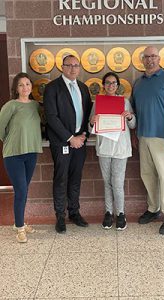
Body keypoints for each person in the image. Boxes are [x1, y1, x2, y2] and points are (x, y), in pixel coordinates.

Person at [131, 46, 164, 235]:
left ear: (159, 59)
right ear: (142, 60)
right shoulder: (138, 83)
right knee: (148, 175)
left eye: (153, 56)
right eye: (147, 57)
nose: (150, 60)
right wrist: (135, 135)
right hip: (143, 137)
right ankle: (153, 209)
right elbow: (135, 113)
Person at [43, 55, 92, 233]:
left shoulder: (83, 88)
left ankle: (74, 212)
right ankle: (60, 216)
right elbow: (52, 117)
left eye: (76, 65)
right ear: (62, 67)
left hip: (80, 141)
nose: (72, 69)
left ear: (79, 68)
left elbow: (87, 114)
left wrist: (84, 134)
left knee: (75, 178)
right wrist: (71, 138)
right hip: (62, 141)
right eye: (69, 65)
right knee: (61, 178)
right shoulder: (52, 88)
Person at [89, 72, 136, 230]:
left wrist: (129, 117)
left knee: (117, 182)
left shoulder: (125, 102)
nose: (111, 85)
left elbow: (133, 125)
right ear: (103, 85)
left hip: (120, 148)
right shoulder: (97, 103)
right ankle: (108, 212)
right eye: (108, 83)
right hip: (104, 148)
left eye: (114, 83)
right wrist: (92, 122)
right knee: (107, 182)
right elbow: (90, 128)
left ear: (118, 85)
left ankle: (121, 213)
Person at [0, 72, 42, 243]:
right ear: (16, 89)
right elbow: (0, 128)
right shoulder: (11, 105)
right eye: (21, 85)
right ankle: (19, 228)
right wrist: (11, 141)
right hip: (14, 155)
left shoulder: (36, 106)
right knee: (21, 191)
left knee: (23, 191)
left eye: (27, 84)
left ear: (31, 86)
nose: (25, 87)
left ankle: (20, 222)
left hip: (31, 153)